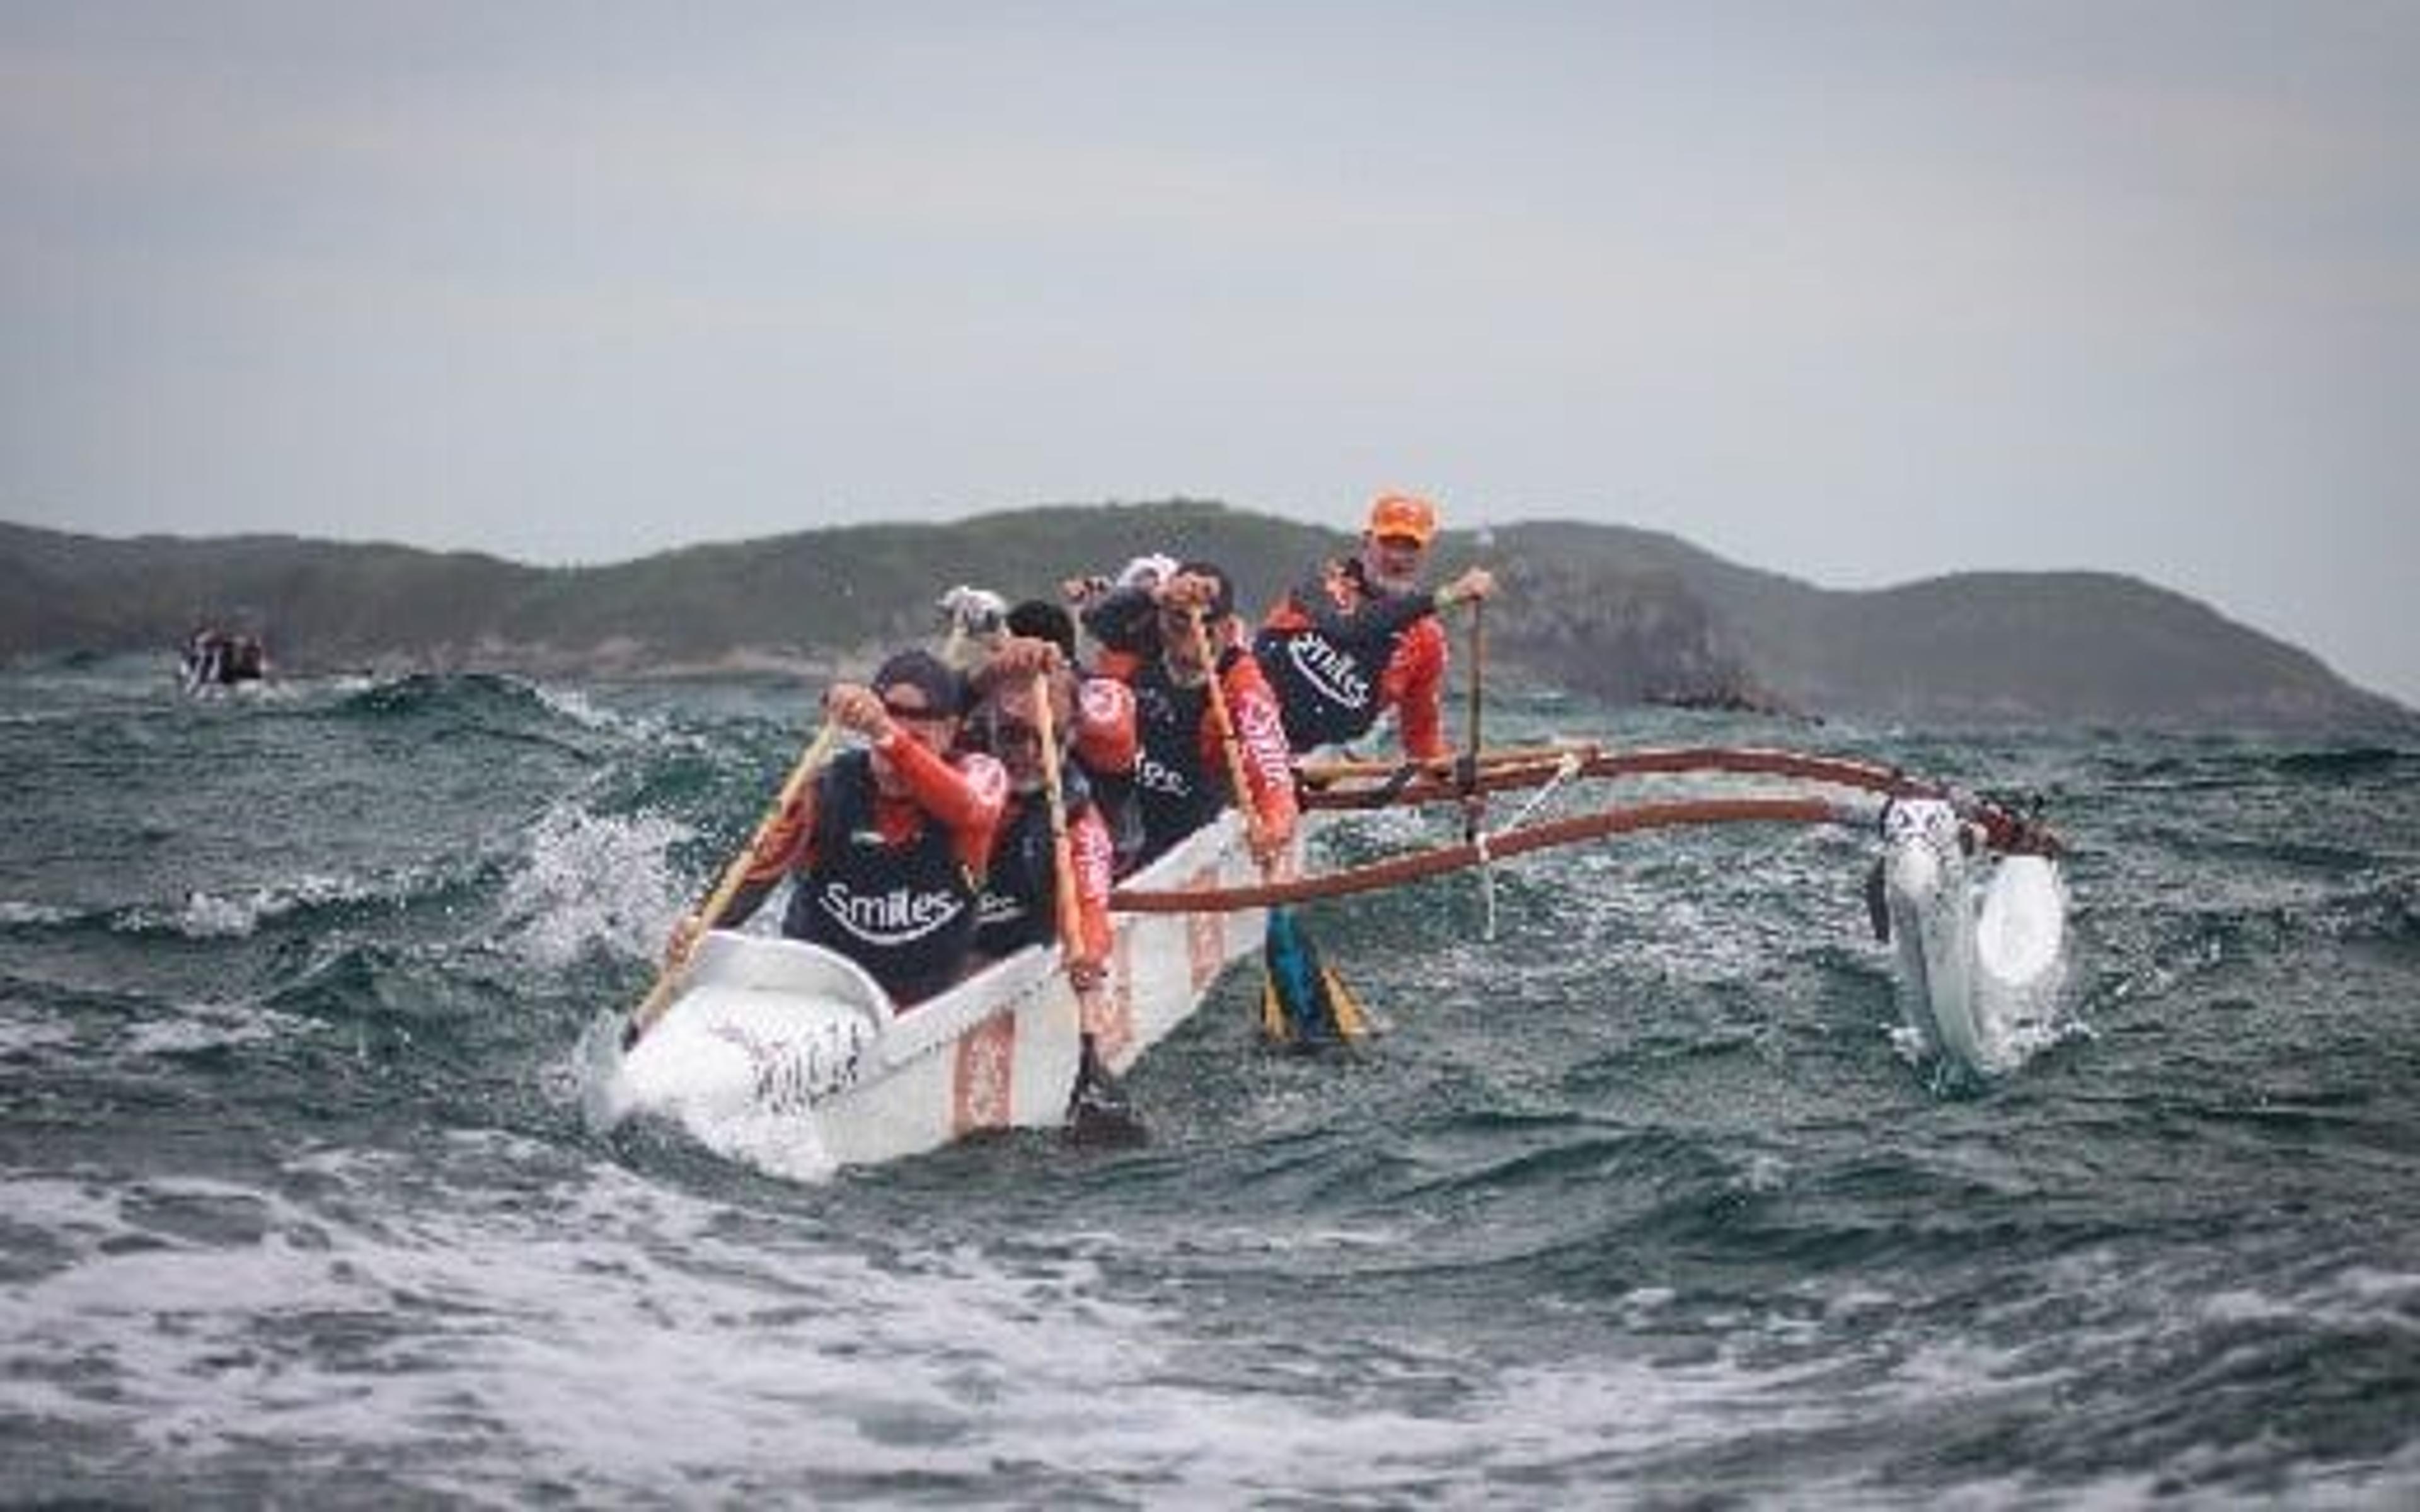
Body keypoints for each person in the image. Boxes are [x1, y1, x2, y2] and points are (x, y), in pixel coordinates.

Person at [671, 649, 1007, 1008]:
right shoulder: (825, 790)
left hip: (925, 1004)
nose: (892, 766)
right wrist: (700, 928)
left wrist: (887, 734)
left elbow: (972, 812)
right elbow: (755, 875)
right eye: (880, 747)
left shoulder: (980, 776)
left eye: (917, 740)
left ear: (950, 732)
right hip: (819, 996)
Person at [1253, 491, 1496, 760]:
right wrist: (1449, 595)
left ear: (1425, 553)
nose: (1398, 557)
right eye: (1389, 543)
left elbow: (1421, 734)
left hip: (1318, 766)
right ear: (1367, 541)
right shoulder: (1321, 585)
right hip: (1248, 734)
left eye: (1410, 547)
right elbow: (1352, 629)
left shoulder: (1427, 639)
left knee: (1351, 752)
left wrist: (1459, 787)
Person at [1115, 562, 1298, 871]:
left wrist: (1275, 825)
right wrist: (1157, 595)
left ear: (1228, 628)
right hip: (1118, 828)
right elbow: (1094, 616)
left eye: (1205, 623)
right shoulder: (1136, 652)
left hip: (1183, 849)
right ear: (1161, 618)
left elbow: (1272, 769)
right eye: (1180, 621)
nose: (1191, 633)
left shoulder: (1243, 685)